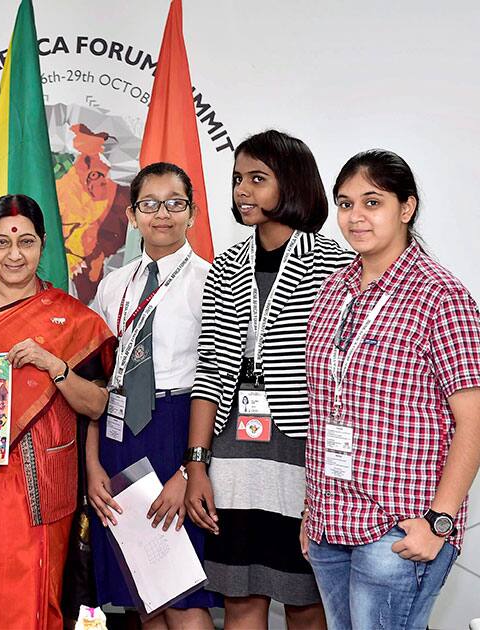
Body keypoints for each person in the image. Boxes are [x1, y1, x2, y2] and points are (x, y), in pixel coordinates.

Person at [183, 130, 354, 629]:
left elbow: (341, 376)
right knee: (239, 595)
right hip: (233, 451)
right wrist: (197, 464)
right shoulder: (225, 263)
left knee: (305, 598)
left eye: (258, 179)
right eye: (238, 179)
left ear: (294, 183)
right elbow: (209, 371)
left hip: (303, 450)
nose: (243, 191)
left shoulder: (338, 264)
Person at [303, 150, 480, 629]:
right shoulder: (333, 288)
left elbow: (474, 421)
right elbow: (323, 405)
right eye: (345, 203)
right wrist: (310, 512)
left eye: (372, 202)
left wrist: (439, 523)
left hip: (400, 528)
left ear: (406, 208)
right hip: (329, 522)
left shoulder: (441, 295)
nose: (355, 216)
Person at [0, 195, 116, 629]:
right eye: (2, 243)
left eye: (26, 243)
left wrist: (56, 367)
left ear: (43, 244)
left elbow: (98, 404)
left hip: (38, 485)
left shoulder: (73, 320)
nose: (14, 255)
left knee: (28, 599)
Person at [87, 162, 219, 628]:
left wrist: (190, 468)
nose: (161, 214)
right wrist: (93, 463)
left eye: (174, 204)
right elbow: (99, 380)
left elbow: (221, 383)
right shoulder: (112, 285)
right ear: (132, 214)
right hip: (120, 432)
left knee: (185, 597)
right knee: (145, 594)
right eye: (149, 204)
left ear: (193, 213)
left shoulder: (214, 282)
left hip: (179, 430)